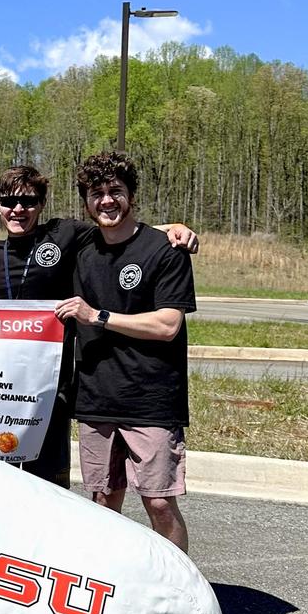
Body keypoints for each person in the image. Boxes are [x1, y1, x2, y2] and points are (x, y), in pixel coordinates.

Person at [0, 164, 199, 488]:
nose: (18, 209)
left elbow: (119, 227)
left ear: (42, 204)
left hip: (51, 388)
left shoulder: (65, 235)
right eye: (8, 201)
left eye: (28, 201)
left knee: (47, 486)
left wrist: (176, 227)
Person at [54, 151, 197, 552]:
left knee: (158, 501)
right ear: (86, 201)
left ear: (131, 195)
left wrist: (97, 315)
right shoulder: (82, 250)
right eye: (96, 193)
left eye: (116, 191)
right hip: (96, 397)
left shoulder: (164, 250)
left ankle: (175, 590)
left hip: (150, 399)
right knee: (103, 500)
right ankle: (108, 588)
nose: (106, 200)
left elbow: (168, 325)